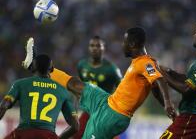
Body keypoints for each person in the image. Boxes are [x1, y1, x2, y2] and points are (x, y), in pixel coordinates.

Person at [23, 27, 176, 139]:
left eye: (125, 41)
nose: (122, 44)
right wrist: (165, 106)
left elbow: (159, 79)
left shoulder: (146, 63)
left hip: (114, 116)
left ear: (133, 43)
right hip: (107, 101)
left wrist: (168, 104)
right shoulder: (139, 62)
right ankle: (35, 65)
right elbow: (156, 87)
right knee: (77, 84)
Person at [159, 21, 196, 139]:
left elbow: (186, 89)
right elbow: (189, 80)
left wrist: (164, 76)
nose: (194, 35)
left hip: (192, 119)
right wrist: (170, 72)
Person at [0, 54, 79, 139]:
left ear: (32, 68)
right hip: (48, 135)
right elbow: (75, 126)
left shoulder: (20, 84)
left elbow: (4, 106)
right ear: (52, 69)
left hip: (23, 133)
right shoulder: (63, 91)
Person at [74, 36, 122, 139]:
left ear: (104, 48)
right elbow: (78, 87)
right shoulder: (82, 65)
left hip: (104, 113)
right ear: (88, 48)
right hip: (88, 111)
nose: (95, 48)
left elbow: (122, 90)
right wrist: (76, 104)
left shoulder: (112, 69)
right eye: (92, 45)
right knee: (76, 134)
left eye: (98, 45)